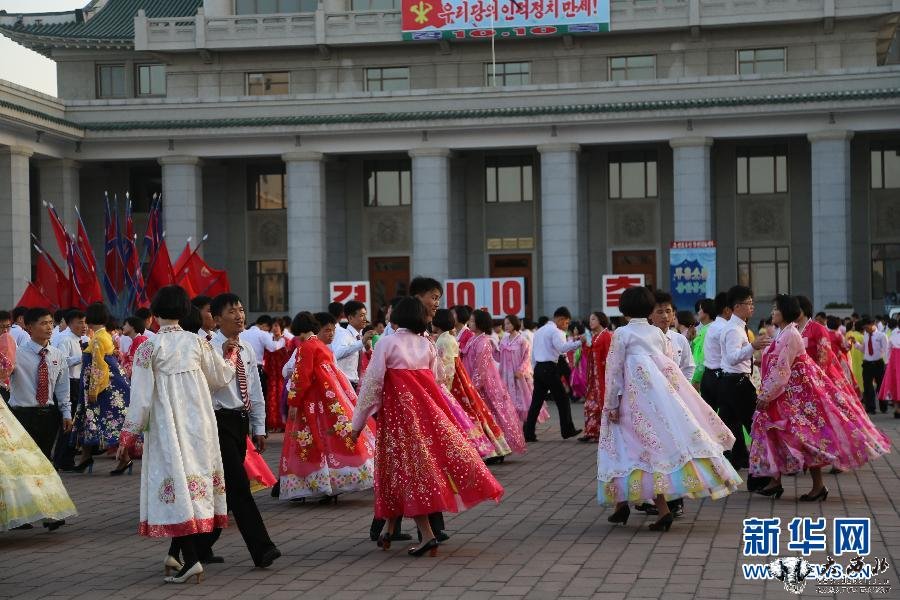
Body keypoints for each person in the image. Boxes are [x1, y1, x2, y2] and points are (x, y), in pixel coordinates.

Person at [351, 297, 504, 556]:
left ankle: (428, 535)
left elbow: (372, 385)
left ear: (396, 317)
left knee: (404, 470)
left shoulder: (387, 342)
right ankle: (389, 528)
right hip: (427, 415)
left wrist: (357, 423)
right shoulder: (427, 344)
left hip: (399, 419)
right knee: (410, 469)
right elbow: (439, 379)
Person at [117, 286, 237, 584]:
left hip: (168, 426)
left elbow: (142, 398)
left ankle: (193, 560)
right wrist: (232, 354)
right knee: (192, 483)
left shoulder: (149, 347)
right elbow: (221, 377)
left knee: (176, 482)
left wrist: (127, 436)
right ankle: (175, 554)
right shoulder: (199, 343)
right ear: (186, 311)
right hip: (200, 425)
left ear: (154, 314)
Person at [599, 287, 741, 532]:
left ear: (624, 310)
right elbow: (669, 367)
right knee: (651, 450)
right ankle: (624, 506)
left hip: (630, 403)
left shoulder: (621, 334)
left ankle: (636, 506)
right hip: (659, 401)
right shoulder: (657, 333)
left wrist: (610, 404)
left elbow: (613, 371)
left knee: (625, 449)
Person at [750, 295, 891, 500]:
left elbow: (788, 367)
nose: (772, 312)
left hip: (801, 395)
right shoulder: (785, 332)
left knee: (806, 437)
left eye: (775, 309)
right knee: (780, 433)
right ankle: (776, 480)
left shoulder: (800, 332)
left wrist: (767, 393)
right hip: (787, 393)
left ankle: (814, 485)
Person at [206, 293, 281, 569]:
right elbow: (209, 387)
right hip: (217, 422)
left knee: (224, 491)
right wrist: (225, 355)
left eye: (241, 309)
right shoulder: (207, 349)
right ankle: (263, 548)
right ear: (216, 319)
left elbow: (255, 390)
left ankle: (195, 547)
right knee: (239, 487)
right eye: (231, 311)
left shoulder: (247, 348)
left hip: (240, 421)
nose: (239, 315)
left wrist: (259, 427)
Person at [279, 312, 375, 502]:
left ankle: (313, 484)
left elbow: (302, 376)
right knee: (330, 438)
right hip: (328, 400)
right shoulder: (320, 346)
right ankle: (333, 482)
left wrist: (294, 401)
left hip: (312, 402)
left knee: (311, 439)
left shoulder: (306, 347)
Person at [0, 337, 77, 532]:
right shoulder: (16, 352)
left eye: (50, 323)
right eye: (43, 323)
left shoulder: (57, 355)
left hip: (47, 414)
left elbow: (62, 387)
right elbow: (4, 374)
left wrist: (66, 412)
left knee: (44, 464)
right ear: (30, 327)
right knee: (22, 466)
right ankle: (23, 514)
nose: (48, 327)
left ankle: (50, 512)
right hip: (21, 415)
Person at [432, 308, 504, 460]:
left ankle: (480, 449)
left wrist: (444, 388)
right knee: (472, 412)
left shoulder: (444, 340)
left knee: (465, 415)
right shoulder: (448, 337)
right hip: (461, 379)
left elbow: (447, 367)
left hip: (454, 383)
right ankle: (488, 447)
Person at [74, 302, 133, 475]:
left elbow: (99, 366)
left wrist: (93, 390)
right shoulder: (103, 335)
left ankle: (122, 458)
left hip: (103, 388)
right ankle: (88, 456)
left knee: (100, 419)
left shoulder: (98, 338)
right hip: (109, 386)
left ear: (90, 320)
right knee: (94, 418)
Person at [718, 286, 771, 472]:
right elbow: (733, 357)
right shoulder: (734, 329)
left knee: (731, 426)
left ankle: (735, 462)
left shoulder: (736, 327)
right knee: (754, 426)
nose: (752, 307)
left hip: (731, 381)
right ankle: (762, 470)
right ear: (737, 306)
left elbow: (732, 358)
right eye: (749, 303)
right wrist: (753, 346)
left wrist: (753, 359)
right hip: (736, 383)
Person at [462, 310, 527, 454]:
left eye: (472, 321)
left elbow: (481, 368)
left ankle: (497, 448)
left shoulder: (483, 342)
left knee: (490, 415)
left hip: (483, 386)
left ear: (480, 323)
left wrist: (473, 386)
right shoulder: (473, 339)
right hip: (474, 383)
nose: (470, 323)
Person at [523, 306, 583, 442]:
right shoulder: (555, 331)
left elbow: (533, 354)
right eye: (566, 322)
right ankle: (567, 430)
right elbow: (562, 348)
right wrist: (579, 342)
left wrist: (534, 369)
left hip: (539, 368)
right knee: (562, 399)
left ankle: (529, 433)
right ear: (561, 319)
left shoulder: (539, 331)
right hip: (549, 368)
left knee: (536, 402)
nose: (566, 325)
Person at [50, 308, 86, 471]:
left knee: (75, 422)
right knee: (68, 422)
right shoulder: (65, 339)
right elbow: (63, 361)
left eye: (84, 322)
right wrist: (82, 358)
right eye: (79, 322)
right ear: (70, 323)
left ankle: (66, 459)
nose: (83, 325)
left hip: (79, 383)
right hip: (70, 384)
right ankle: (62, 460)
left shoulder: (83, 339)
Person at [498, 314, 547, 425]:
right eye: (505, 324)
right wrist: (493, 349)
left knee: (524, 399)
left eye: (508, 323)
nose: (506, 326)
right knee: (509, 399)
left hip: (519, 375)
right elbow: (499, 357)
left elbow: (527, 357)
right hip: (506, 375)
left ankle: (528, 424)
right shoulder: (503, 340)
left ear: (515, 324)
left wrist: (520, 370)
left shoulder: (522, 340)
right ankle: (512, 424)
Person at [579, 311, 612, 443]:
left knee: (599, 403)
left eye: (593, 319)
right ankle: (591, 431)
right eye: (590, 319)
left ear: (600, 320)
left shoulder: (606, 336)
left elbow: (609, 356)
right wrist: (584, 344)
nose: (591, 321)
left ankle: (599, 432)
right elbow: (588, 355)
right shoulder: (596, 336)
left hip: (602, 376)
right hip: (594, 376)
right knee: (590, 404)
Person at [330, 301, 374, 391]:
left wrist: (368, 348)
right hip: (343, 383)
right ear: (350, 318)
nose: (365, 318)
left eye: (365, 315)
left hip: (355, 384)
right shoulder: (342, 334)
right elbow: (337, 353)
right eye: (362, 315)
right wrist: (362, 342)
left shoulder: (360, 336)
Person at [652, 291, 695, 381]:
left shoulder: (680, 339)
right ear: (650, 315)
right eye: (660, 312)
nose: (665, 316)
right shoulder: (644, 340)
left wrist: (683, 389)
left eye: (668, 311)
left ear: (674, 314)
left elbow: (689, 367)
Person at [699, 293, 731, 410]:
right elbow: (732, 357)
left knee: (709, 419)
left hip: (708, 376)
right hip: (720, 377)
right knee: (726, 419)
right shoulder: (726, 328)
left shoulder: (712, 326)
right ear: (727, 310)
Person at [262, 318, 291, 433]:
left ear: (281, 328)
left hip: (281, 375)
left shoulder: (285, 340)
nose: (274, 328)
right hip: (272, 374)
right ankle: (272, 423)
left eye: (277, 326)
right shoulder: (269, 340)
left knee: (281, 399)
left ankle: (282, 423)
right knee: (271, 399)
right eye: (273, 326)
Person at [856, 318, 888, 413]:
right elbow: (864, 349)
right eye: (864, 328)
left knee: (881, 386)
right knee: (867, 386)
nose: (866, 330)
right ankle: (870, 407)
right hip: (867, 364)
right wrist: (856, 344)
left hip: (878, 363)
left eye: (867, 327)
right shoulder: (866, 335)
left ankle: (883, 406)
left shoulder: (882, 336)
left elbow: (886, 351)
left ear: (873, 324)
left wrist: (886, 364)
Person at [690, 298, 716, 390]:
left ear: (706, 312)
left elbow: (701, 358)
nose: (698, 312)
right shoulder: (706, 329)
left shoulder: (707, 331)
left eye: (700, 309)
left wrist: (695, 379)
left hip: (701, 379)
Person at [877, 319, 900, 418]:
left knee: (895, 384)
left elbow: (888, 351)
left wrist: (887, 363)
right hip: (894, 362)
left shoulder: (893, 335)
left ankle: (897, 409)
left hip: (894, 363)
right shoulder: (893, 334)